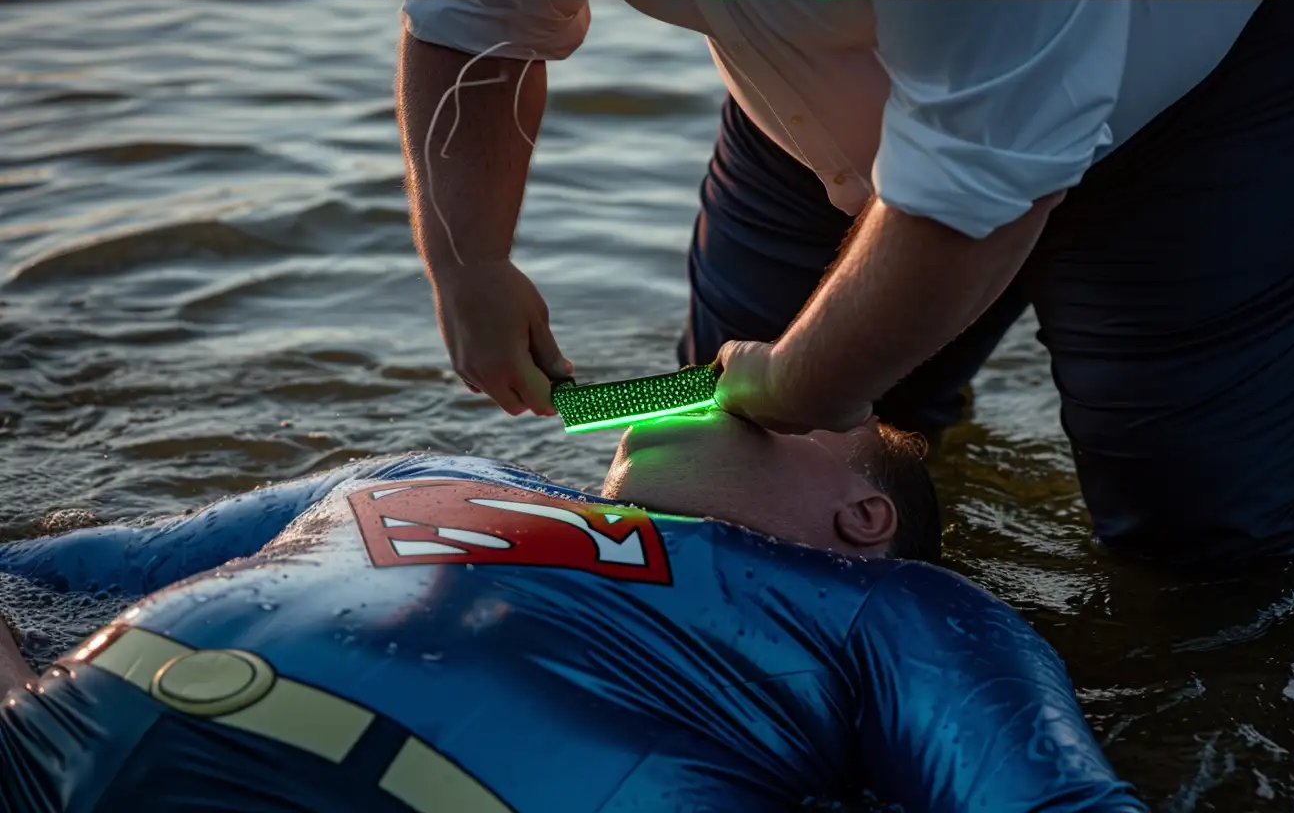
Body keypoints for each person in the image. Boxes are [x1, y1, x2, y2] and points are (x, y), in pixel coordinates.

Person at [397, 0, 1294, 571]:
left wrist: (809, 385)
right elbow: (466, 10)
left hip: (1228, 66)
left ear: (861, 522)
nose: (685, 402)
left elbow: (980, 193)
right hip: (822, 83)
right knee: (788, 361)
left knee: (1198, 541)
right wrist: (466, 260)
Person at [0, 412, 1145, 810]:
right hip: (40, 750)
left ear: (860, 513)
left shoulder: (892, 608)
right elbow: (60, 571)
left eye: (794, 407)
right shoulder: (422, 470)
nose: (724, 376)